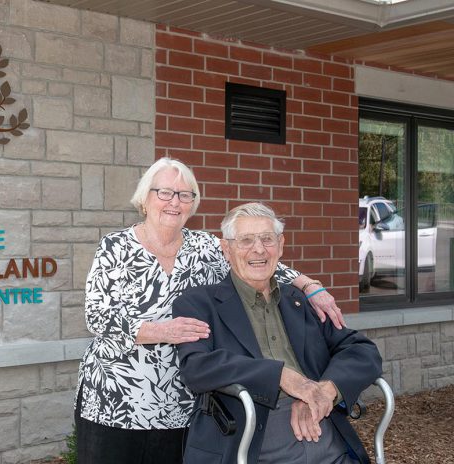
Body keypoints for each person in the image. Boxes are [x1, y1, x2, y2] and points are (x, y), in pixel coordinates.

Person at [74, 158, 346, 464]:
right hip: (117, 399)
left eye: (184, 195)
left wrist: (312, 286)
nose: (174, 202)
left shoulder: (204, 245)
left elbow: (259, 257)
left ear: (192, 203)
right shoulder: (115, 247)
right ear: (145, 198)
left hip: (180, 400)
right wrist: (160, 331)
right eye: (165, 193)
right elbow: (96, 315)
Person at [173, 202, 382, 464]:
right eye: (246, 240)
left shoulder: (301, 301)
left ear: (281, 245)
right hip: (251, 441)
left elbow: (363, 350)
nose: (258, 249)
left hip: (328, 441)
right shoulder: (199, 303)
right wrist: (283, 377)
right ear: (226, 249)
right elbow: (197, 368)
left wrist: (325, 391)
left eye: (267, 239)